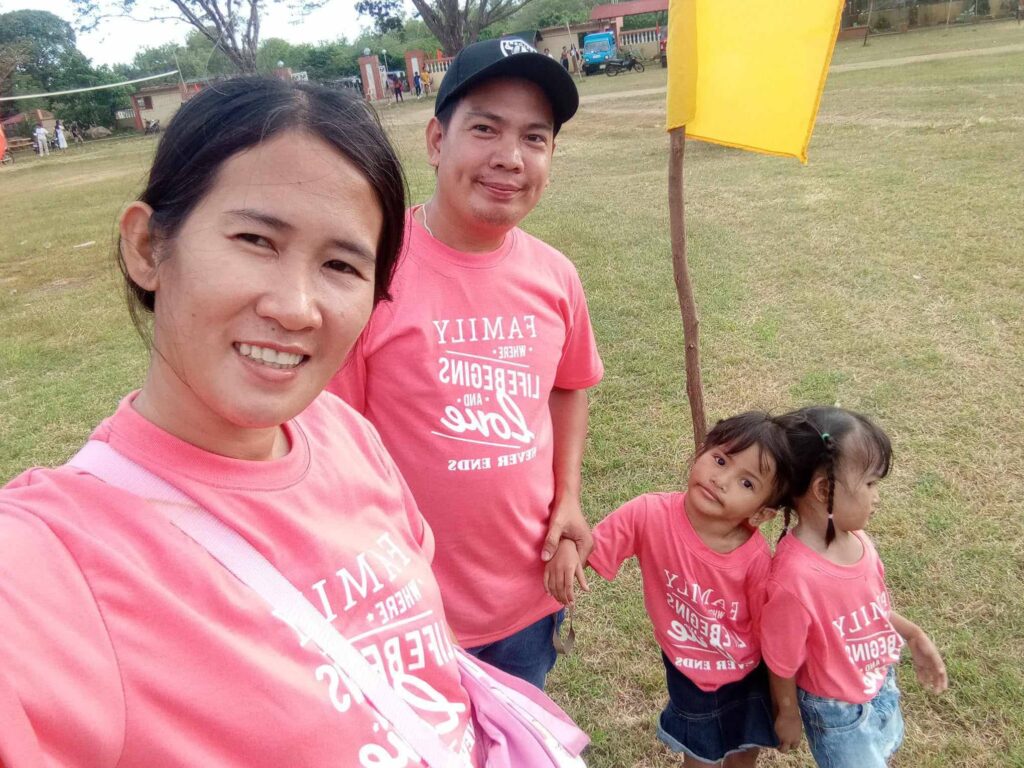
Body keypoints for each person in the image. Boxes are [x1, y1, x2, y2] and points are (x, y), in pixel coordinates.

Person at [0, 77, 488, 767]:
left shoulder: (345, 434)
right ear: (147, 247)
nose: (296, 307)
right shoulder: (54, 563)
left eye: (342, 264)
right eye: (257, 238)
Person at [329, 38, 602, 690]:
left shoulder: (555, 278)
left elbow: (568, 387)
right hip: (408, 608)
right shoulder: (371, 271)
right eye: (485, 129)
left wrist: (569, 497)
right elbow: (334, 443)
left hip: (526, 601)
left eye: (535, 139)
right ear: (435, 140)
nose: (510, 158)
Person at [546, 412, 794, 767]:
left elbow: (773, 635)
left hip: (748, 677)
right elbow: (591, 547)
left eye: (747, 483)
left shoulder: (755, 560)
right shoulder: (648, 514)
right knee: (700, 757)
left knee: (743, 754)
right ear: (701, 452)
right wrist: (570, 548)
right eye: (720, 459)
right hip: (688, 672)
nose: (721, 479)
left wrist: (785, 705)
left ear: (761, 515)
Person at [761, 406, 948, 768]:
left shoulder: (859, 541)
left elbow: (870, 606)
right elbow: (781, 660)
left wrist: (913, 634)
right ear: (824, 489)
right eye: (870, 484)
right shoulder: (794, 578)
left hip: (878, 684)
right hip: (836, 715)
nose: (877, 496)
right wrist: (787, 713)